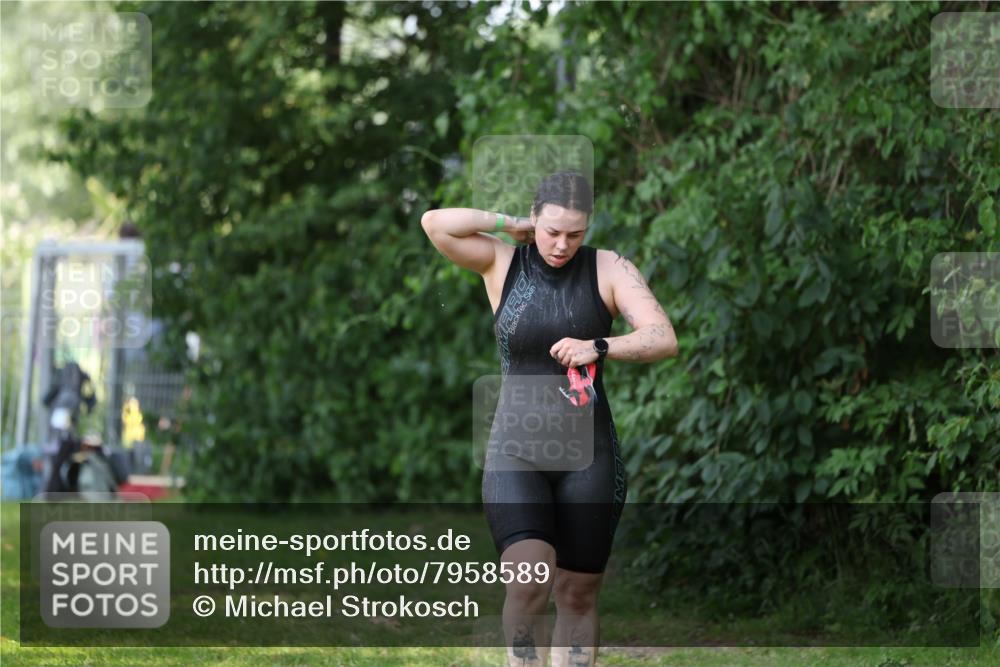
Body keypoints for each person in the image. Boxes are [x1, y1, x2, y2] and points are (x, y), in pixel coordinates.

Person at [421, 170, 678, 666]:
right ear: (535, 219)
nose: (562, 245)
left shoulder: (609, 268)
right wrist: (509, 224)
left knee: (578, 594)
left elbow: (662, 336)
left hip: (590, 455)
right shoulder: (501, 261)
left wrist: (598, 345)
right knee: (529, 580)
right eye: (551, 231)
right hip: (516, 449)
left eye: (575, 234)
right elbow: (436, 223)